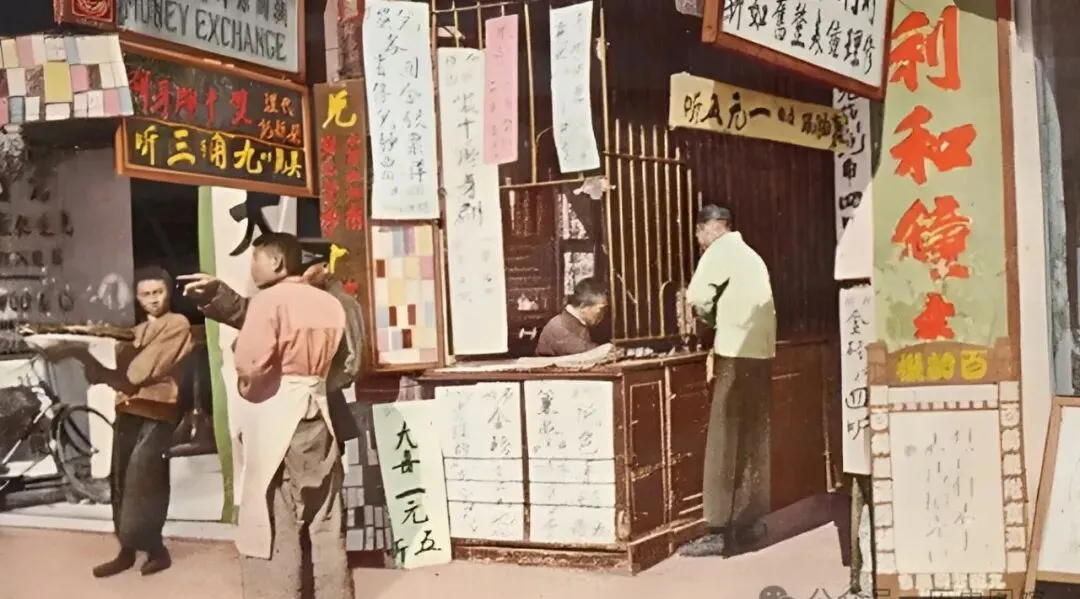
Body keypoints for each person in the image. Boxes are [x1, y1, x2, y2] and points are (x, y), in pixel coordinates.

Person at [228, 233, 352, 599]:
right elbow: (345, 363)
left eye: (255, 260)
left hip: (278, 416)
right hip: (320, 415)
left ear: (276, 262)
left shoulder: (268, 302)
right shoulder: (330, 304)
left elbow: (249, 364)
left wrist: (249, 388)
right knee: (325, 520)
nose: (252, 269)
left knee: (275, 517)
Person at [177, 242, 364, 450]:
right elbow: (248, 313)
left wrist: (309, 390)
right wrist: (217, 293)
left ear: (325, 267)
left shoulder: (341, 304)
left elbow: (350, 363)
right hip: (281, 411)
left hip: (316, 411)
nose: (299, 274)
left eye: (305, 268)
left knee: (310, 467)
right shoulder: (291, 299)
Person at [83, 266, 194, 577]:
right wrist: (83, 355)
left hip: (158, 410)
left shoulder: (178, 325)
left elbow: (137, 374)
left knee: (144, 479)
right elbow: (113, 378)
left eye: (158, 292)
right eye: (146, 294)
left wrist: (113, 375)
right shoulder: (132, 332)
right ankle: (126, 551)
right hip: (128, 409)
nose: (153, 299)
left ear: (169, 292)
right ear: (137, 297)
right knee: (120, 479)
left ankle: (156, 550)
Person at [679, 204, 776, 558]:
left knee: (723, 440)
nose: (698, 241)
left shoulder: (719, 251)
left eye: (698, 233)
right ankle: (748, 523)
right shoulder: (752, 256)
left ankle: (718, 530)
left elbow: (697, 297)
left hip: (734, 351)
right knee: (752, 437)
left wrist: (709, 323)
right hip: (761, 354)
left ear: (709, 228)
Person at [535, 277, 609, 356]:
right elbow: (588, 353)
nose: (603, 314)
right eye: (601, 309)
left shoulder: (578, 323)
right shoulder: (558, 326)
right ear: (583, 307)